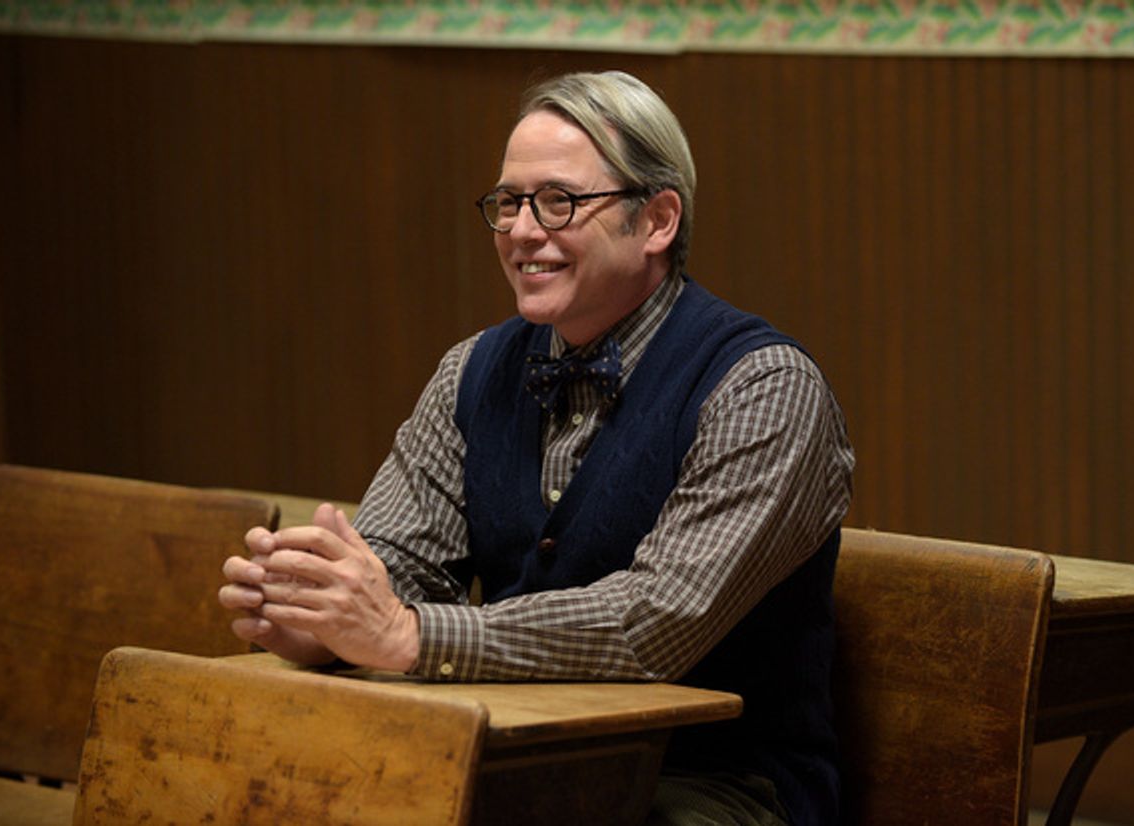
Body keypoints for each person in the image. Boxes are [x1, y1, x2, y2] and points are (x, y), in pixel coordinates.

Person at [220, 70, 854, 826]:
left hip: (715, 785)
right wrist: (317, 621)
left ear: (657, 220)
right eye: (509, 203)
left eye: (560, 202)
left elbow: (656, 623)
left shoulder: (764, 387)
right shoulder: (473, 370)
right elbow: (399, 570)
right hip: (513, 756)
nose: (522, 231)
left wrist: (405, 634)